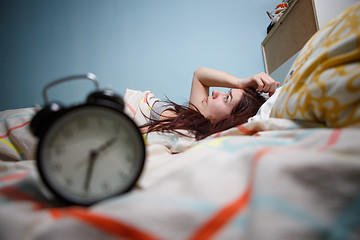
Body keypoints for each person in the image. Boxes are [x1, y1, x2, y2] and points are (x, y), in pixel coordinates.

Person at [140, 66, 279, 140]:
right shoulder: (196, 115)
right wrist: (241, 82)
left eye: (226, 99)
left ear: (230, 121)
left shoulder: (188, 132)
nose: (216, 92)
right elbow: (200, 74)